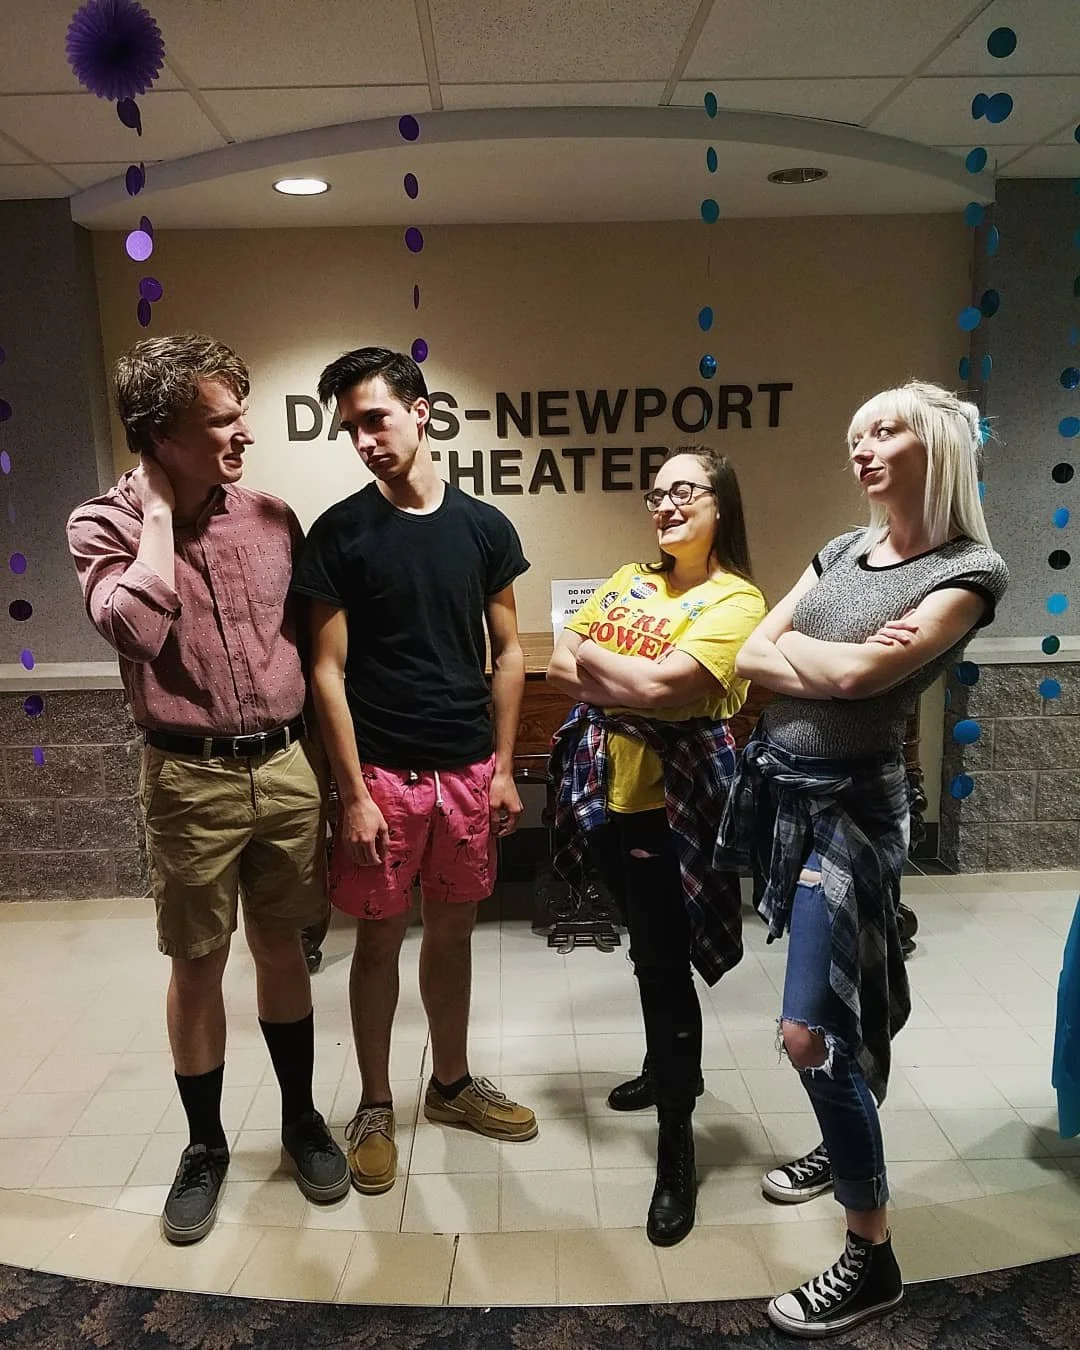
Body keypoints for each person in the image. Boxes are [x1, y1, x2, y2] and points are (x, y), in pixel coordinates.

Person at [723, 381, 1008, 1338]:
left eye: (884, 429)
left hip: (852, 810)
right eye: (856, 434)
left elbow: (846, 675)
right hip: (786, 795)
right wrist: (817, 657)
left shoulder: (969, 570)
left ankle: (871, 1257)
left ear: (937, 443)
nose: (864, 447)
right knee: (833, 1014)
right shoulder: (844, 550)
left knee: (812, 1031)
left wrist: (806, 654)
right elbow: (751, 655)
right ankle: (835, 1139)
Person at [66, 334, 348, 1245]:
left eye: (240, 413)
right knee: (196, 964)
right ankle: (203, 1146)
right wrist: (155, 517)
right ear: (158, 434)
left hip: (286, 765)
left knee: (283, 949)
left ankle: (301, 1120)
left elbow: (314, 649)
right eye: (222, 420)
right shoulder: (100, 526)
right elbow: (136, 633)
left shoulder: (271, 517)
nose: (244, 434)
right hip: (188, 777)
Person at [292, 346, 537, 1197]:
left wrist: (504, 767)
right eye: (349, 427)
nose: (362, 439)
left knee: (456, 932)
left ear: (422, 411)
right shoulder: (339, 534)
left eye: (375, 418)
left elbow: (507, 654)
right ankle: (373, 1102)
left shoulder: (484, 529)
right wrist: (350, 794)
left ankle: (453, 1085)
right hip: (384, 775)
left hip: (467, 766)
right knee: (379, 942)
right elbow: (326, 672)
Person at [546, 447, 766, 1245]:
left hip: (675, 806)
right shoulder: (628, 577)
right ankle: (666, 1067)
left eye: (683, 491)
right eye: (657, 493)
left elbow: (657, 689)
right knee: (644, 948)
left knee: (666, 966)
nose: (665, 505)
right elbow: (558, 666)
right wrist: (620, 673)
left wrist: (606, 666)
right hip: (603, 795)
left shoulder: (737, 599)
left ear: (720, 503)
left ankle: (677, 1146)